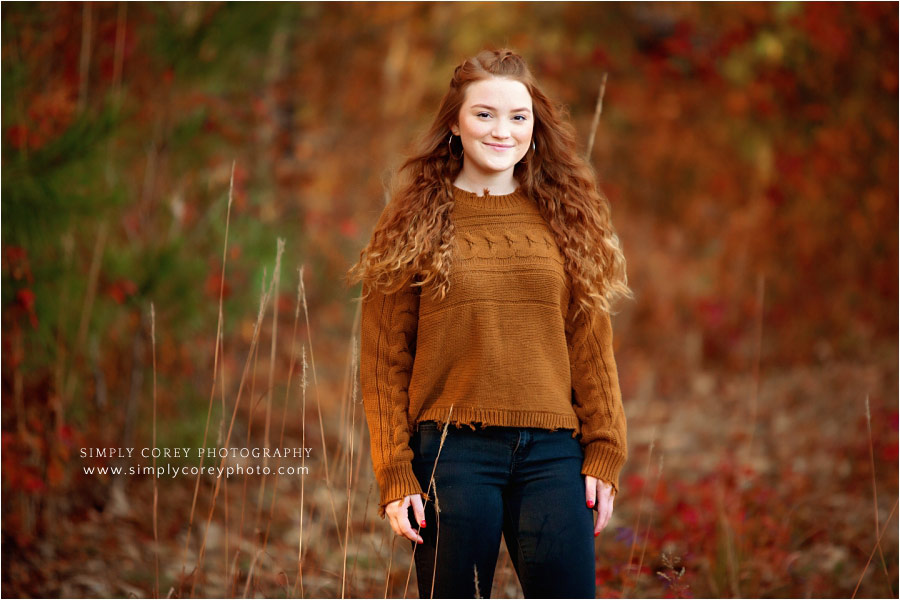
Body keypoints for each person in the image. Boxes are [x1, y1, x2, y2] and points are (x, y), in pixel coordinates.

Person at [346, 48, 633, 599]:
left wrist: (605, 447)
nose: (503, 130)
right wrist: (395, 474)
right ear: (454, 121)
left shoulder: (564, 212)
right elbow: (384, 359)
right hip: (452, 454)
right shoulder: (412, 218)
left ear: (534, 126)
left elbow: (591, 342)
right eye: (484, 114)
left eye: (518, 117)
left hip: (553, 452)